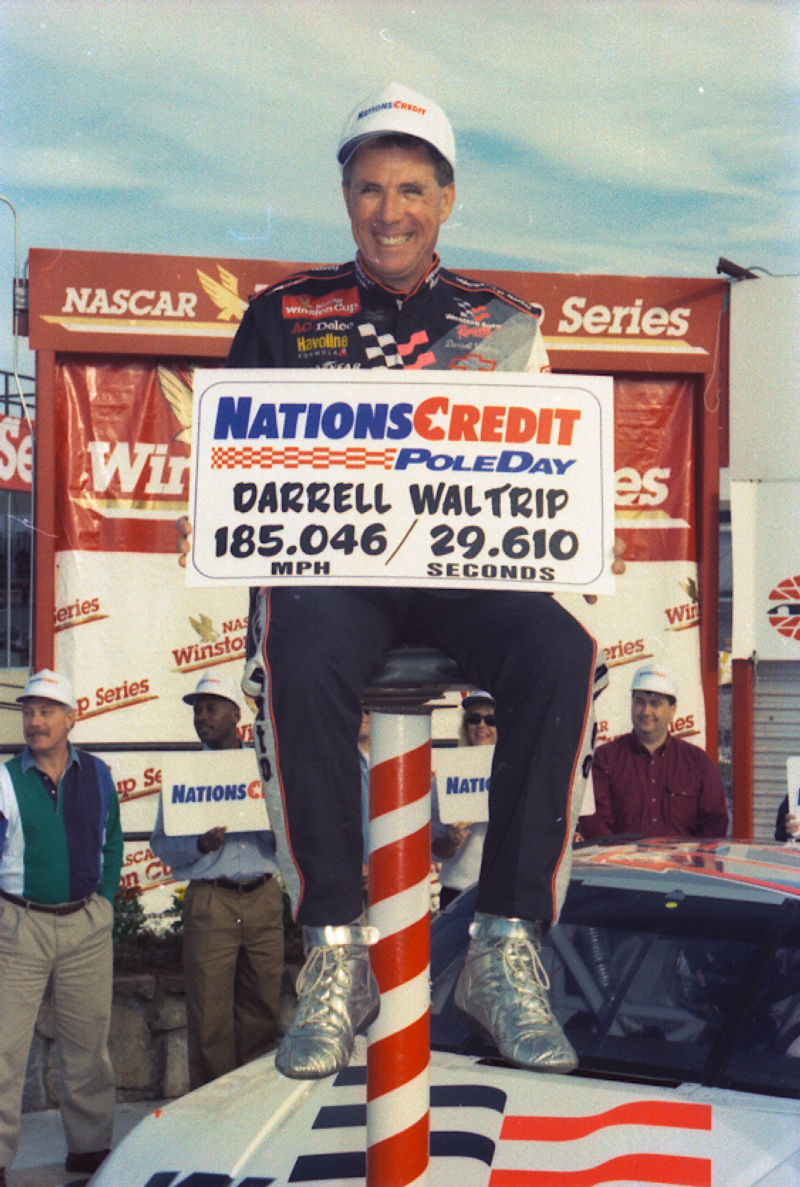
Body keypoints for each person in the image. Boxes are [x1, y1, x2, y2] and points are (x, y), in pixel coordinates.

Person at [229, 81, 600, 1081]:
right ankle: (335, 950)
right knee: (295, 647)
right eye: (367, 189)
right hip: (338, 570)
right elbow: (233, 475)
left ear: (444, 199)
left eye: (408, 189)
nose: (387, 211)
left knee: (561, 648)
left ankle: (506, 938)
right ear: (344, 196)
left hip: (461, 567)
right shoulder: (281, 314)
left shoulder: (504, 324)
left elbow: (545, 480)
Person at [0, 669, 122, 1182]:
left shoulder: (98, 773)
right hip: (20, 926)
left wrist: (106, 904)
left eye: (47, 710)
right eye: (28, 711)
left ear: (72, 719)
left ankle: (90, 1150)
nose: (34, 721)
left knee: (88, 1046)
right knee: (3, 1048)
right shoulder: (5, 779)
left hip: (85, 928)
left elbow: (113, 841)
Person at [150, 672, 283, 1089]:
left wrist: (277, 829)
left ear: (235, 715)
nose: (201, 716)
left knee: (263, 1007)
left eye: (211, 708)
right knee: (209, 1016)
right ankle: (210, 1110)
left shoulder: (266, 767)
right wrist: (198, 847)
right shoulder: (186, 773)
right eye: (197, 709)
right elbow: (161, 844)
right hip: (211, 901)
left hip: (263, 896)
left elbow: (295, 835)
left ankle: (254, 1106)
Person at [580, 662, 729, 839]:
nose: (646, 711)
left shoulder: (698, 763)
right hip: (622, 865)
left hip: (679, 865)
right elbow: (593, 822)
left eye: (655, 704)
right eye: (640, 702)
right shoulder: (604, 759)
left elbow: (714, 824)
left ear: (672, 709)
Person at [431, 690, 495, 910]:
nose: (481, 725)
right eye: (474, 719)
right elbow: (435, 850)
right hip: (458, 891)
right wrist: (453, 840)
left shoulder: (521, 772)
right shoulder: (447, 775)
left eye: (491, 719)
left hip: (506, 891)